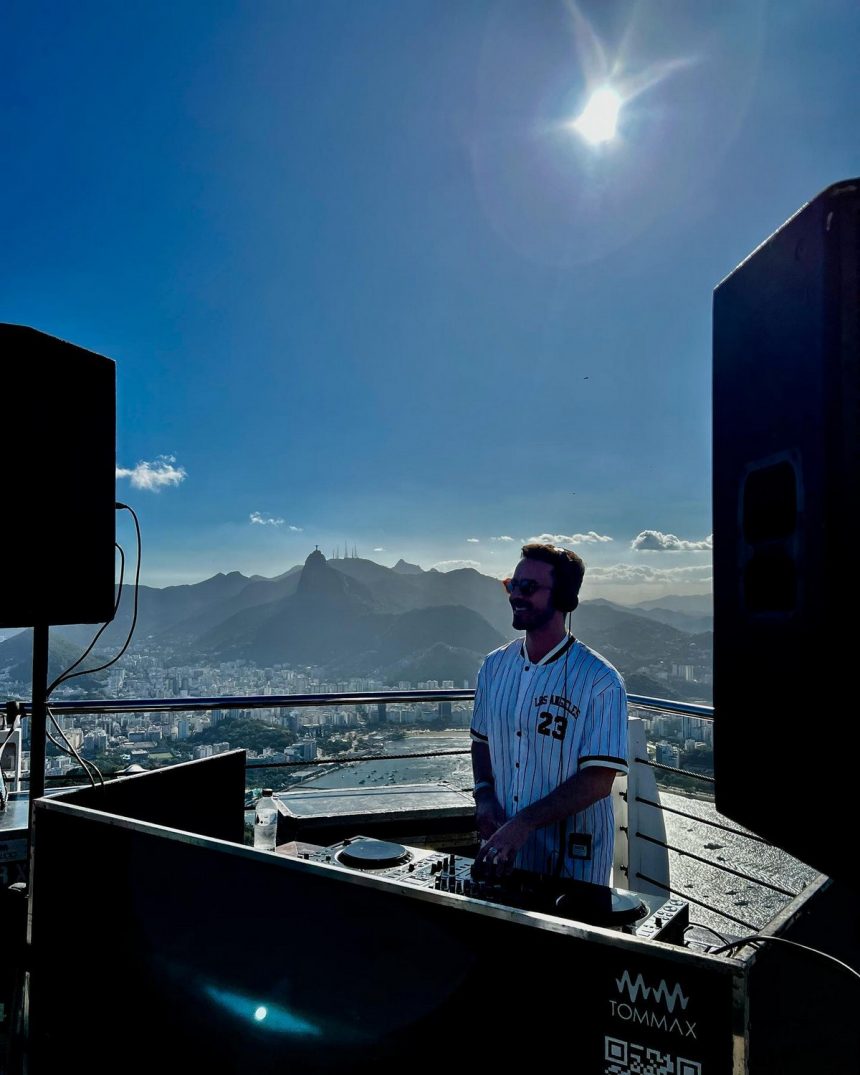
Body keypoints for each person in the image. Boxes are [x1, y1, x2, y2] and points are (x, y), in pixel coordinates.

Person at [470, 542, 628, 884]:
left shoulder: (601, 681)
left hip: (574, 868)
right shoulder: (493, 667)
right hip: (502, 857)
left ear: (564, 598)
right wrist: (484, 795)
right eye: (513, 585)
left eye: (528, 587)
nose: (516, 595)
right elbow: (481, 741)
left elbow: (598, 780)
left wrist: (524, 822)